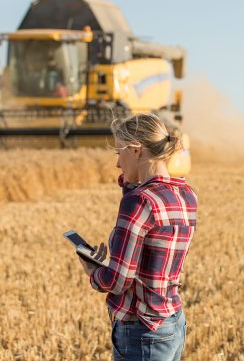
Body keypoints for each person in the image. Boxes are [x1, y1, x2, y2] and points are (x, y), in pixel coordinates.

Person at [78, 113, 198, 360]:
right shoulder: (186, 194)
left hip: (142, 331)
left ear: (136, 150)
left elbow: (118, 281)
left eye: (119, 152)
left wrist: (93, 272)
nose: (117, 163)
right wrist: (131, 183)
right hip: (172, 323)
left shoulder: (139, 202)